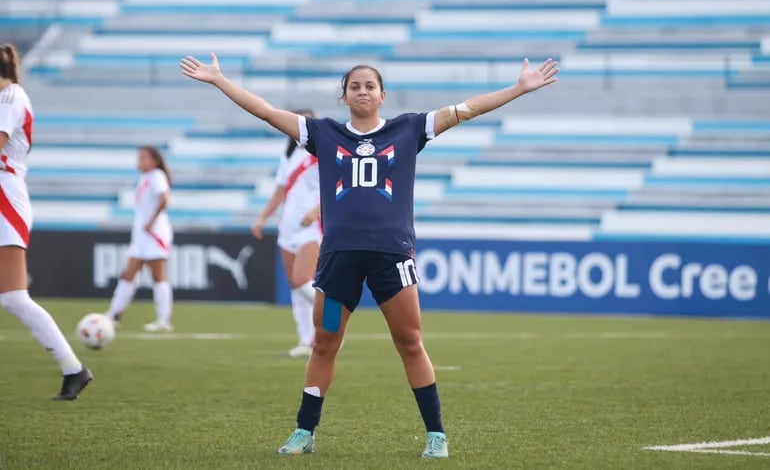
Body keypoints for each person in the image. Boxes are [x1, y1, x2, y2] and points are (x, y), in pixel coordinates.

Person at [180, 52, 558, 459]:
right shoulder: (323, 133)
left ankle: (436, 435)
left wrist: (520, 88)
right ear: (343, 96)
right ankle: (304, 431)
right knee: (324, 341)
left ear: (382, 95)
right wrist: (220, 81)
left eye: (369, 86)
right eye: (354, 86)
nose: (362, 91)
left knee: (410, 341)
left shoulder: (409, 128)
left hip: (391, 259)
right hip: (337, 261)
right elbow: (268, 112)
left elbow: (466, 110)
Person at [0, 43, 92, 400]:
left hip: (5, 197)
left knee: (14, 298)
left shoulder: (10, 97)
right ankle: (74, 369)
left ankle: (74, 369)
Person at [251, 111, 321, 358]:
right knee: (294, 285)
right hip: (288, 226)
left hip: (311, 227)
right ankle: (306, 339)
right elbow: (279, 192)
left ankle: (334, 319)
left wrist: (317, 211)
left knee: (303, 279)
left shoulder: (321, 152)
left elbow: (337, 186)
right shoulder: (289, 156)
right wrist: (262, 217)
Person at [106, 146, 174, 332]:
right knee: (128, 273)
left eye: (143, 158)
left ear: (154, 160)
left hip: (154, 233)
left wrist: (151, 221)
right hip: (142, 235)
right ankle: (113, 315)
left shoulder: (157, 176)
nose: (139, 162)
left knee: (157, 275)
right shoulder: (145, 178)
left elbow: (164, 199)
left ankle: (164, 319)